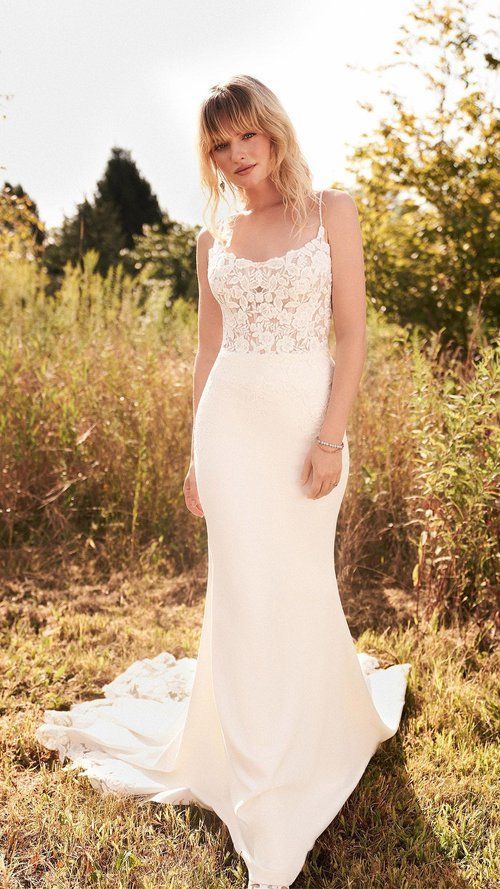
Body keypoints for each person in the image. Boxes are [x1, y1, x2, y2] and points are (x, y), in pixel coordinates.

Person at [35, 75, 411, 889]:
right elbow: (209, 353)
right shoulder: (214, 240)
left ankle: (312, 731)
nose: (237, 156)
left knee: (298, 580)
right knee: (240, 588)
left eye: (247, 137)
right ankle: (250, 759)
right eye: (220, 145)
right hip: (229, 429)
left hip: (306, 423)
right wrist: (193, 455)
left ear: (273, 131)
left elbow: (352, 333)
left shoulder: (333, 211)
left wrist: (331, 437)